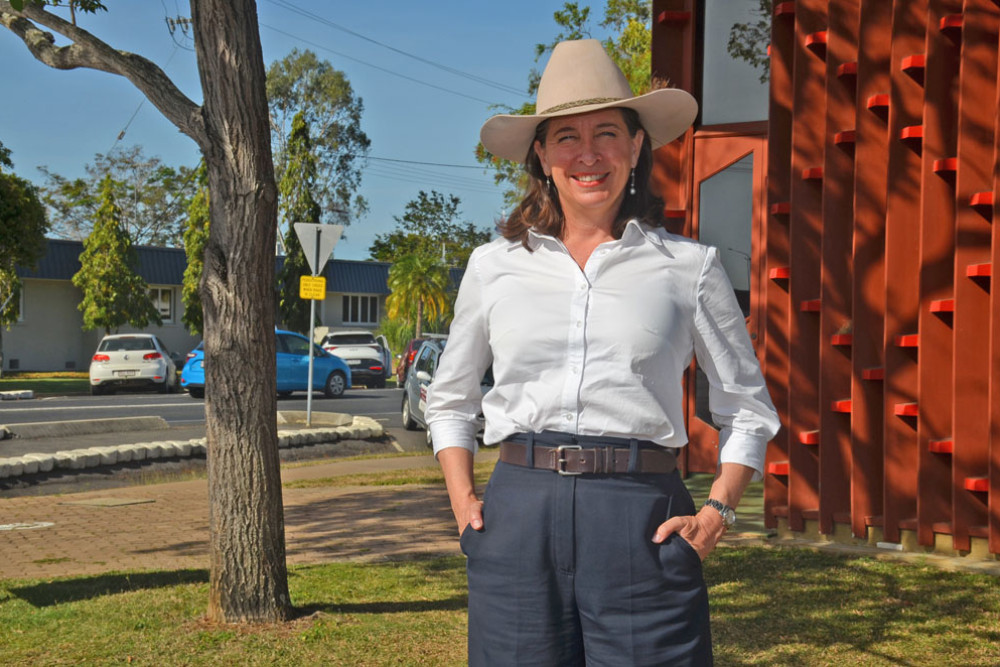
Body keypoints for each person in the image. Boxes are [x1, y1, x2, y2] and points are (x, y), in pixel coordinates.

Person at [425, 39, 780, 666]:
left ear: (637, 145)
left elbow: (748, 408)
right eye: (566, 137)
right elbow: (452, 399)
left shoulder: (689, 268)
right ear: (541, 153)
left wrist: (719, 510)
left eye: (607, 133)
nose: (588, 155)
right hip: (517, 517)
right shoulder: (493, 266)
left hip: (642, 522)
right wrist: (463, 503)